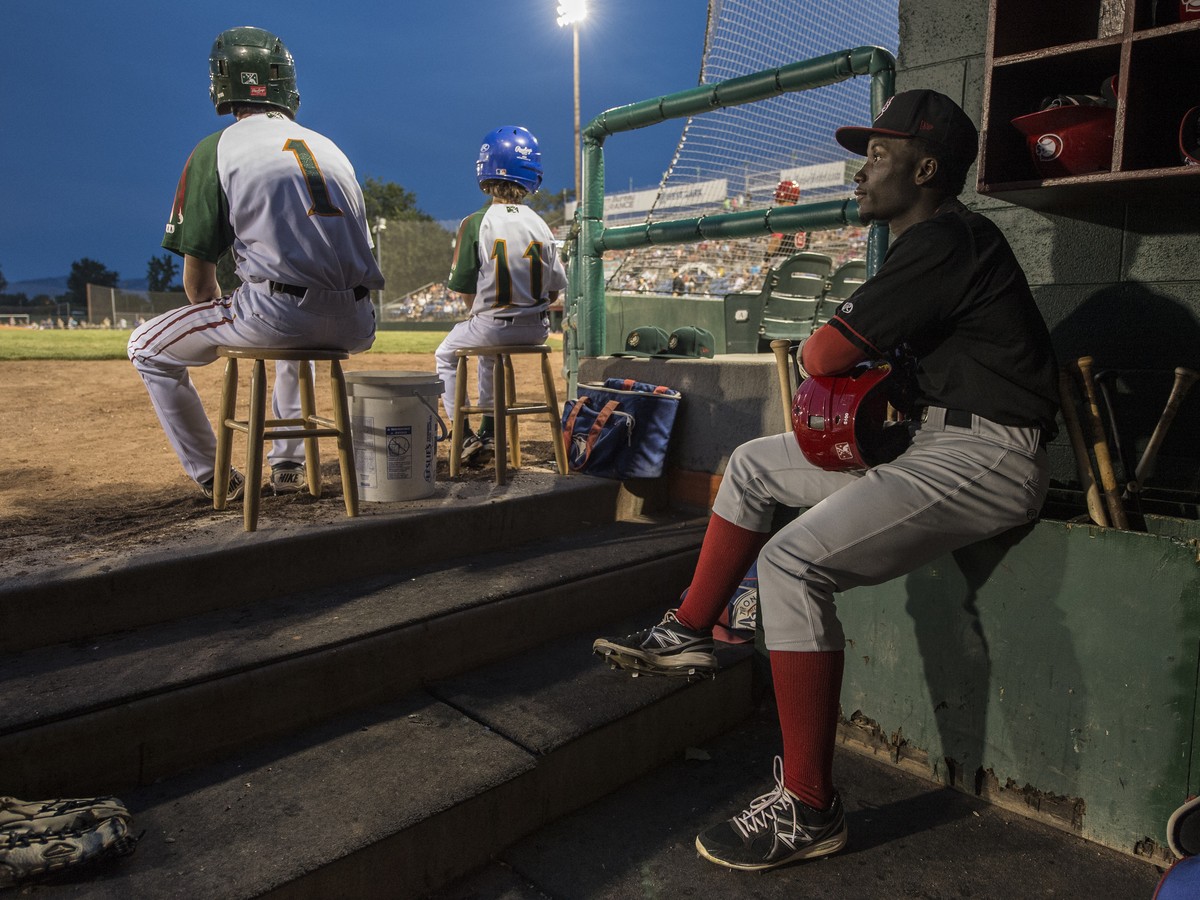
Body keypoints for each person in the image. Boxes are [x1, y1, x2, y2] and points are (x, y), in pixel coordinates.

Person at [592, 90, 1060, 872]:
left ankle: (811, 808)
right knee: (750, 464)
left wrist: (843, 358)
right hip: (933, 444)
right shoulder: (930, 245)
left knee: (789, 562)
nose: (862, 168)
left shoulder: (948, 237)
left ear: (928, 166)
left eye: (879, 154)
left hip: (988, 457)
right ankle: (689, 630)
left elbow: (823, 356)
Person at [128, 27, 381, 500]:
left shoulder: (217, 148)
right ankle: (288, 465)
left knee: (145, 347)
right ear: (288, 85)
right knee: (295, 334)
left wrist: (235, 308)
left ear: (220, 85)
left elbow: (199, 285)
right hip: (359, 321)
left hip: (279, 317)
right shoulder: (332, 150)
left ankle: (215, 474)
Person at [435, 126, 567, 466]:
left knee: (446, 355)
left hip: (494, 325)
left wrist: (483, 314)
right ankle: (491, 433)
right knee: (488, 357)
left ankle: (463, 436)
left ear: (485, 170)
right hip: (537, 328)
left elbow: (464, 290)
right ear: (531, 174)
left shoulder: (477, 222)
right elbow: (555, 290)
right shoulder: (541, 224)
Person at [765, 179, 807, 265]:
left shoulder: (783, 213)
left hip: (782, 261)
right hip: (802, 261)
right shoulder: (804, 215)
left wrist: (766, 258)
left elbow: (776, 240)